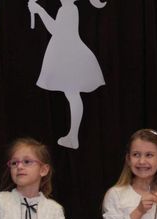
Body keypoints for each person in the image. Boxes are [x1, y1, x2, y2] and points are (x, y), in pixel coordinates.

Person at [27, 0, 106, 149]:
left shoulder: (68, 9)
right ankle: (72, 135)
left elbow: (55, 30)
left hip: (69, 55)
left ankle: (73, 135)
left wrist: (40, 11)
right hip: (67, 52)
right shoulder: (68, 9)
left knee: (72, 94)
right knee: (72, 94)